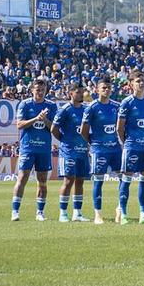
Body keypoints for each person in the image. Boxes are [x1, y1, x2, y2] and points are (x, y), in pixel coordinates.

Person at [11, 78, 57, 221]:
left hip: (43, 149)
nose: (40, 92)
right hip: (28, 148)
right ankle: (15, 211)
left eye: (43, 90)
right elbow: (19, 124)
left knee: (42, 181)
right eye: (37, 90)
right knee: (22, 178)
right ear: (32, 90)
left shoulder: (52, 106)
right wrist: (36, 118)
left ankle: (40, 212)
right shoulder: (24, 104)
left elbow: (54, 128)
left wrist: (45, 120)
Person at [116, 70, 144, 225]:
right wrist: (126, 142)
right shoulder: (127, 102)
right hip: (131, 146)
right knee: (127, 179)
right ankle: (124, 214)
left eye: (143, 80)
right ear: (131, 84)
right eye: (138, 80)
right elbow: (119, 128)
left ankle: (143, 214)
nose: (141, 83)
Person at [80, 76, 122, 224]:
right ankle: (98, 214)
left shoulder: (117, 106)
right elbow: (83, 130)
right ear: (97, 89)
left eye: (109, 87)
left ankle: (120, 210)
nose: (106, 90)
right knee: (98, 181)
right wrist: (92, 143)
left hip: (116, 149)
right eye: (103, 87)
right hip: (99, 150)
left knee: (124, 178)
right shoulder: (92, 107)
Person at [51, 83, 90, 223]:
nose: (81, 94)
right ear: (71, 93)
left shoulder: (86, 109)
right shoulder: (64, 110)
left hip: (82, 151)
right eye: (78, 92)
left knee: (80, 181)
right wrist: (64, 140)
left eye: (82, 92)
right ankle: (63, 213)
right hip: (68, 152)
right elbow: (54, 129)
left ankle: (77, 213)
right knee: (68, 181)